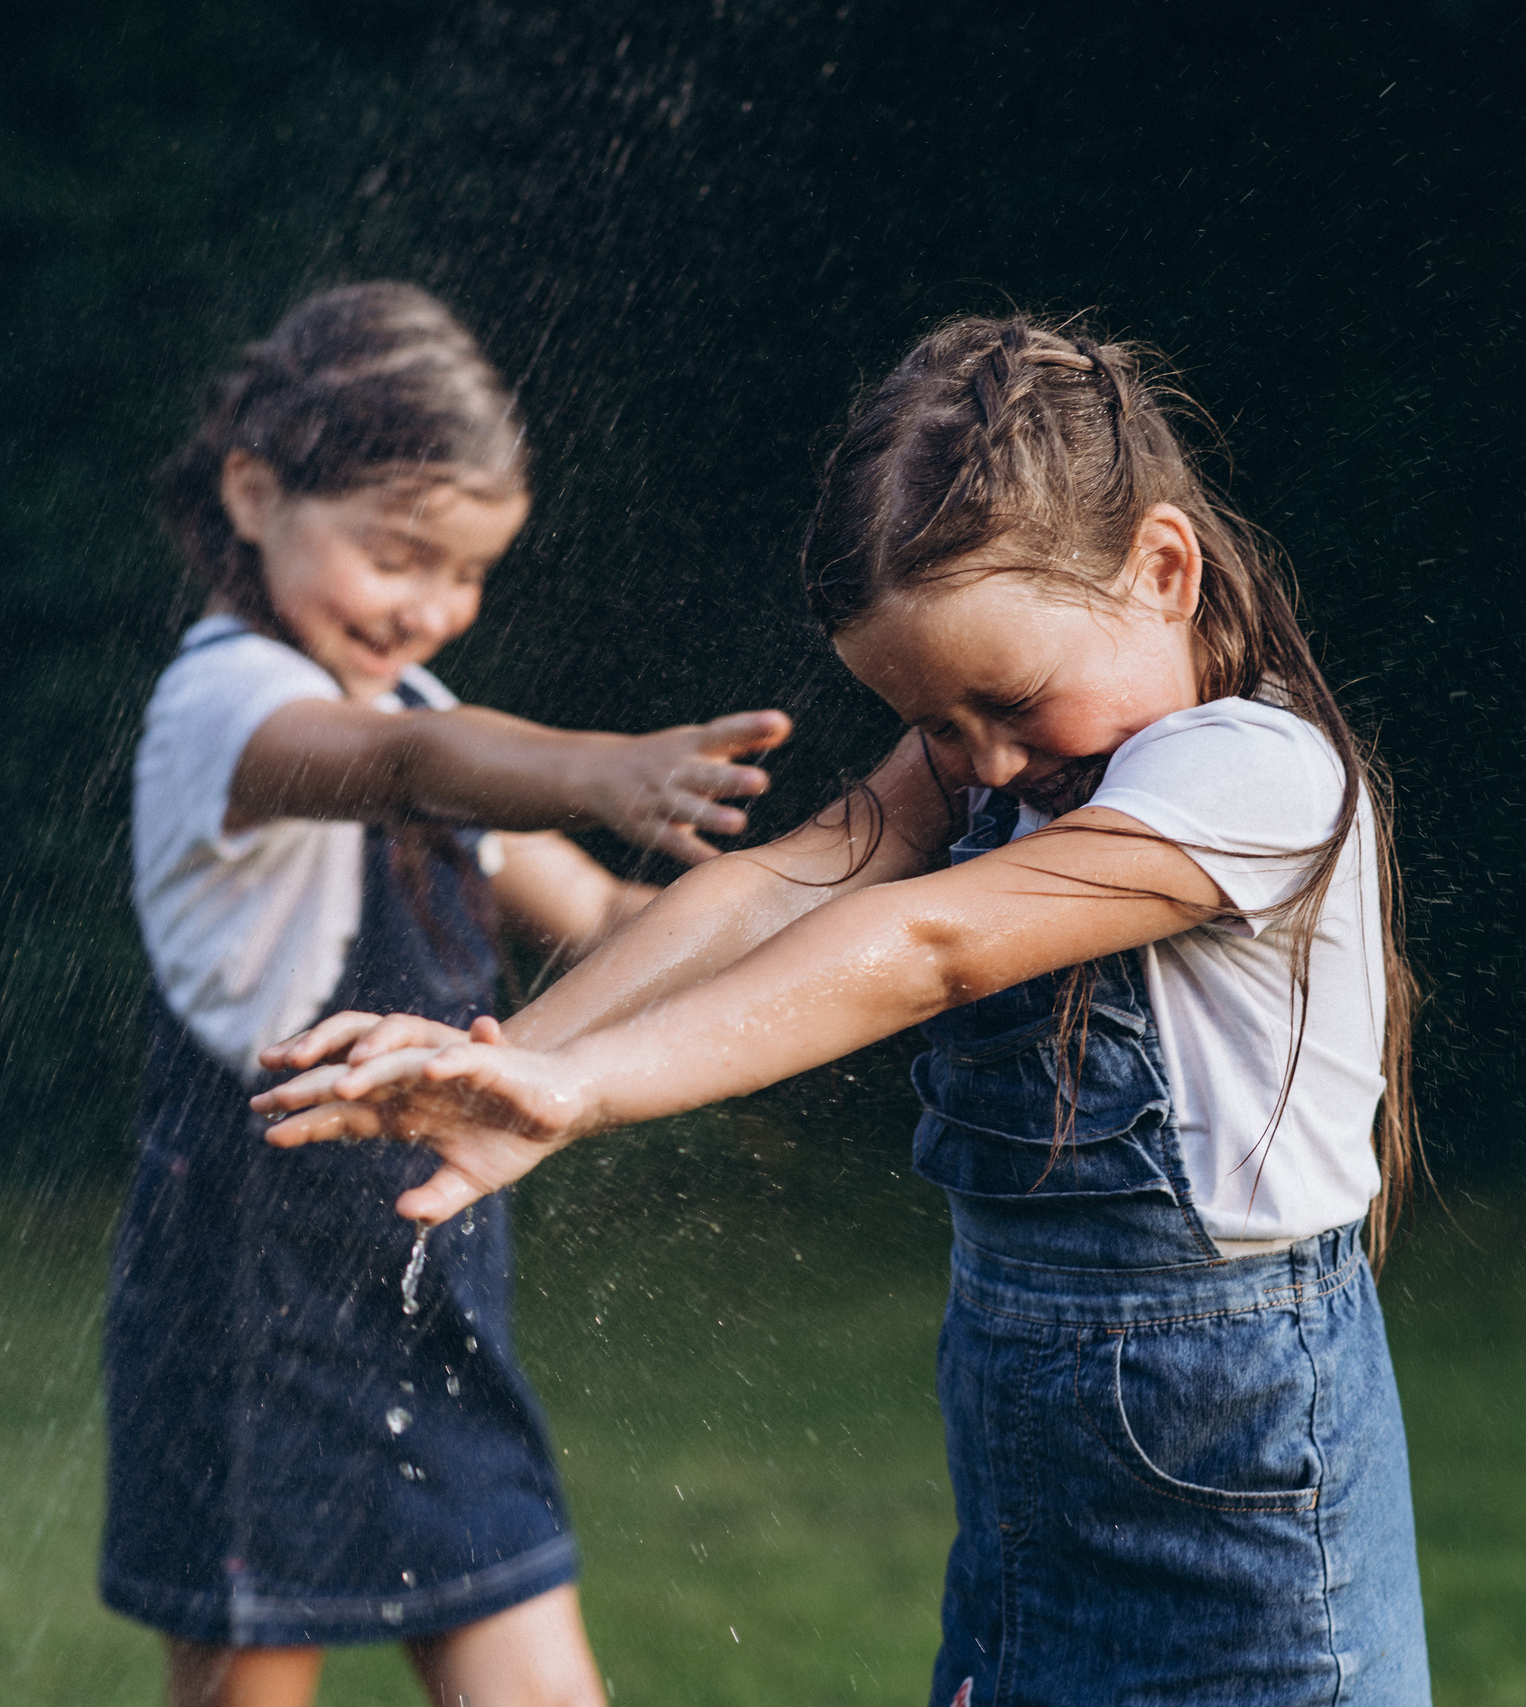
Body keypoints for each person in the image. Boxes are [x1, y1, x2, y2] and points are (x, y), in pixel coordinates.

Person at [253, 314, 1432, 1705]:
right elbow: (795, 878)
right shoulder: (1015, 751)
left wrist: (592, 1089)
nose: (981, 760)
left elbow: (924, 941)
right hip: (1034, 1461)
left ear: (1161, 569)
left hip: (1236, 1477)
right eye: (934, 725)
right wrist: (520, 1070)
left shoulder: (1254, 773)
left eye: (1006, 701)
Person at [107, 281, 790, 1707]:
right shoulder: (225, 705)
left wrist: (838, 926)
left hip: (423, 1264)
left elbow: (603, 913)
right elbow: (414, 771)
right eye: (396, 554)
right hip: (254, 1268)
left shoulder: (415, 704)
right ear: (252, 490)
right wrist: (603, 766)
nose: (429, 608)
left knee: (527, 1648)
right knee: (251, 1675)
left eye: (468, 571)